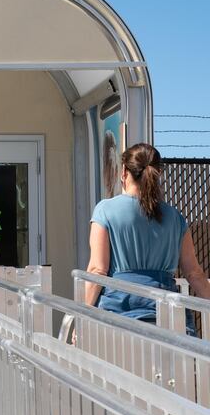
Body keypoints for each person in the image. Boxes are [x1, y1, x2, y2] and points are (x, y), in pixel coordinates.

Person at [84, 143, 210, 336]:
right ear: (158, 173)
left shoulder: (105, 210)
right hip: (169, 314)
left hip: (119, 313)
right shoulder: (175, 217)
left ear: (124, 172)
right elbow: (194, 273)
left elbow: (98, 270)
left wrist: (81, 314)